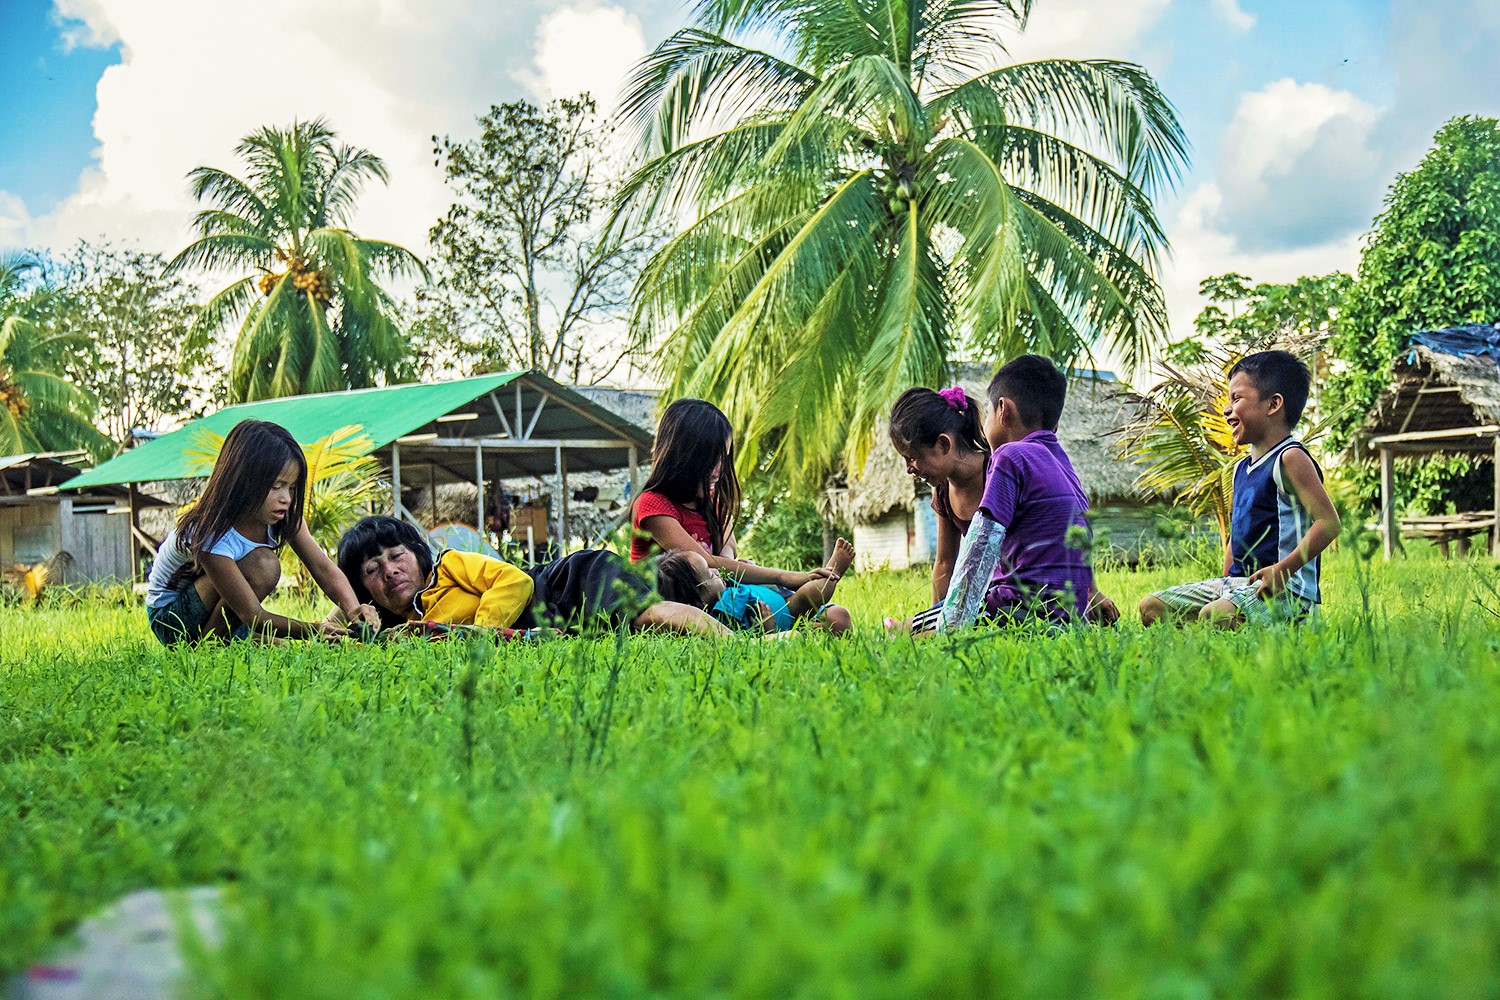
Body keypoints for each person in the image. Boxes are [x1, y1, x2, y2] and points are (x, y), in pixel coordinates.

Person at [1139, 351, 1340, 628]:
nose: (1226, 409)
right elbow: (1238, 533)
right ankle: (1208, 649)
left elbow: (1328, 523)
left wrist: (1283, 571)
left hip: (1286, 591)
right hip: (1236, 585)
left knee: (1215, 616)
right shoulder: (1240, 469)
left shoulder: (1290, 458)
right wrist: (1222, 583)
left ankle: (1290, 629)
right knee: (1152, 608)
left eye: (1236, 398)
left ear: (1273, 404)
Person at [913, 356, 1111, 632]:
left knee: (911, 628)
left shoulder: (1009, 455)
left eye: (990, 414)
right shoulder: (1063, 464)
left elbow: (982, 543)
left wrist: (953, 621)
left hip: (1017, 607)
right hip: (1068, 615)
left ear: (1004, 410)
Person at [144, 420, 379, 644]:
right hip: (172, 618)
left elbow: (324, 569)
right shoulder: (210, 531)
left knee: (279, 646)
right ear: (243, 481)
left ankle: (238, 639)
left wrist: (353, 610)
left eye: (292, 488)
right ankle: (210, 646)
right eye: (276, 487)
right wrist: (314, 630)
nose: (286, 498)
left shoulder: (283, 517)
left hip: (226, 608)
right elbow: (251, 614)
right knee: (263, 565)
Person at [338, 515, 730, 637]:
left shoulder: (449, 566)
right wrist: (347, 618)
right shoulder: (399, 627)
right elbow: (339, 625)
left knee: (647, 614)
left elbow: (515, 582)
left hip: (562, 585)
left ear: (418, 555)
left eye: (396, 556)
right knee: (671, 590)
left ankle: (742, 642)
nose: (389, 571)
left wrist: (483, 633)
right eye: (372, 570)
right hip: (556, 623)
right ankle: (705, 582)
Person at [629, 398, 837, 594]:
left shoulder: (712, 501)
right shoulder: (652, 505)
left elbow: (729, 546)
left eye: (723, 456)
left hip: (716, 588)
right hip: (671, 600)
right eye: (711, 458)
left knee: (836, 616)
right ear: (685, 458)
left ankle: (813, 599)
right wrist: (782, 576)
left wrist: (729, 568)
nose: (719, 467)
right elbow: (701, 561)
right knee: (697, 565)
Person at [888, 386, 991, 606]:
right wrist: (934, 618)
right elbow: (945, 561)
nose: (909, 469)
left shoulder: (997, 473)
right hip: (978, 598)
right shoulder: (943, 491)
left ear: (944, 444)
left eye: (913, 457)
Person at [656, 542, 855, 635]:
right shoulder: (723, 613)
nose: (716, 571)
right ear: (698, 601)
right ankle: (832, 572)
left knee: (839, 614)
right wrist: (769, 630)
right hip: (787, 618)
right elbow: (746, 639)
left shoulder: (726, 587)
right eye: (709, 574)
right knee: (831, 612)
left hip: (787, 602)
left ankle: (829, 576)